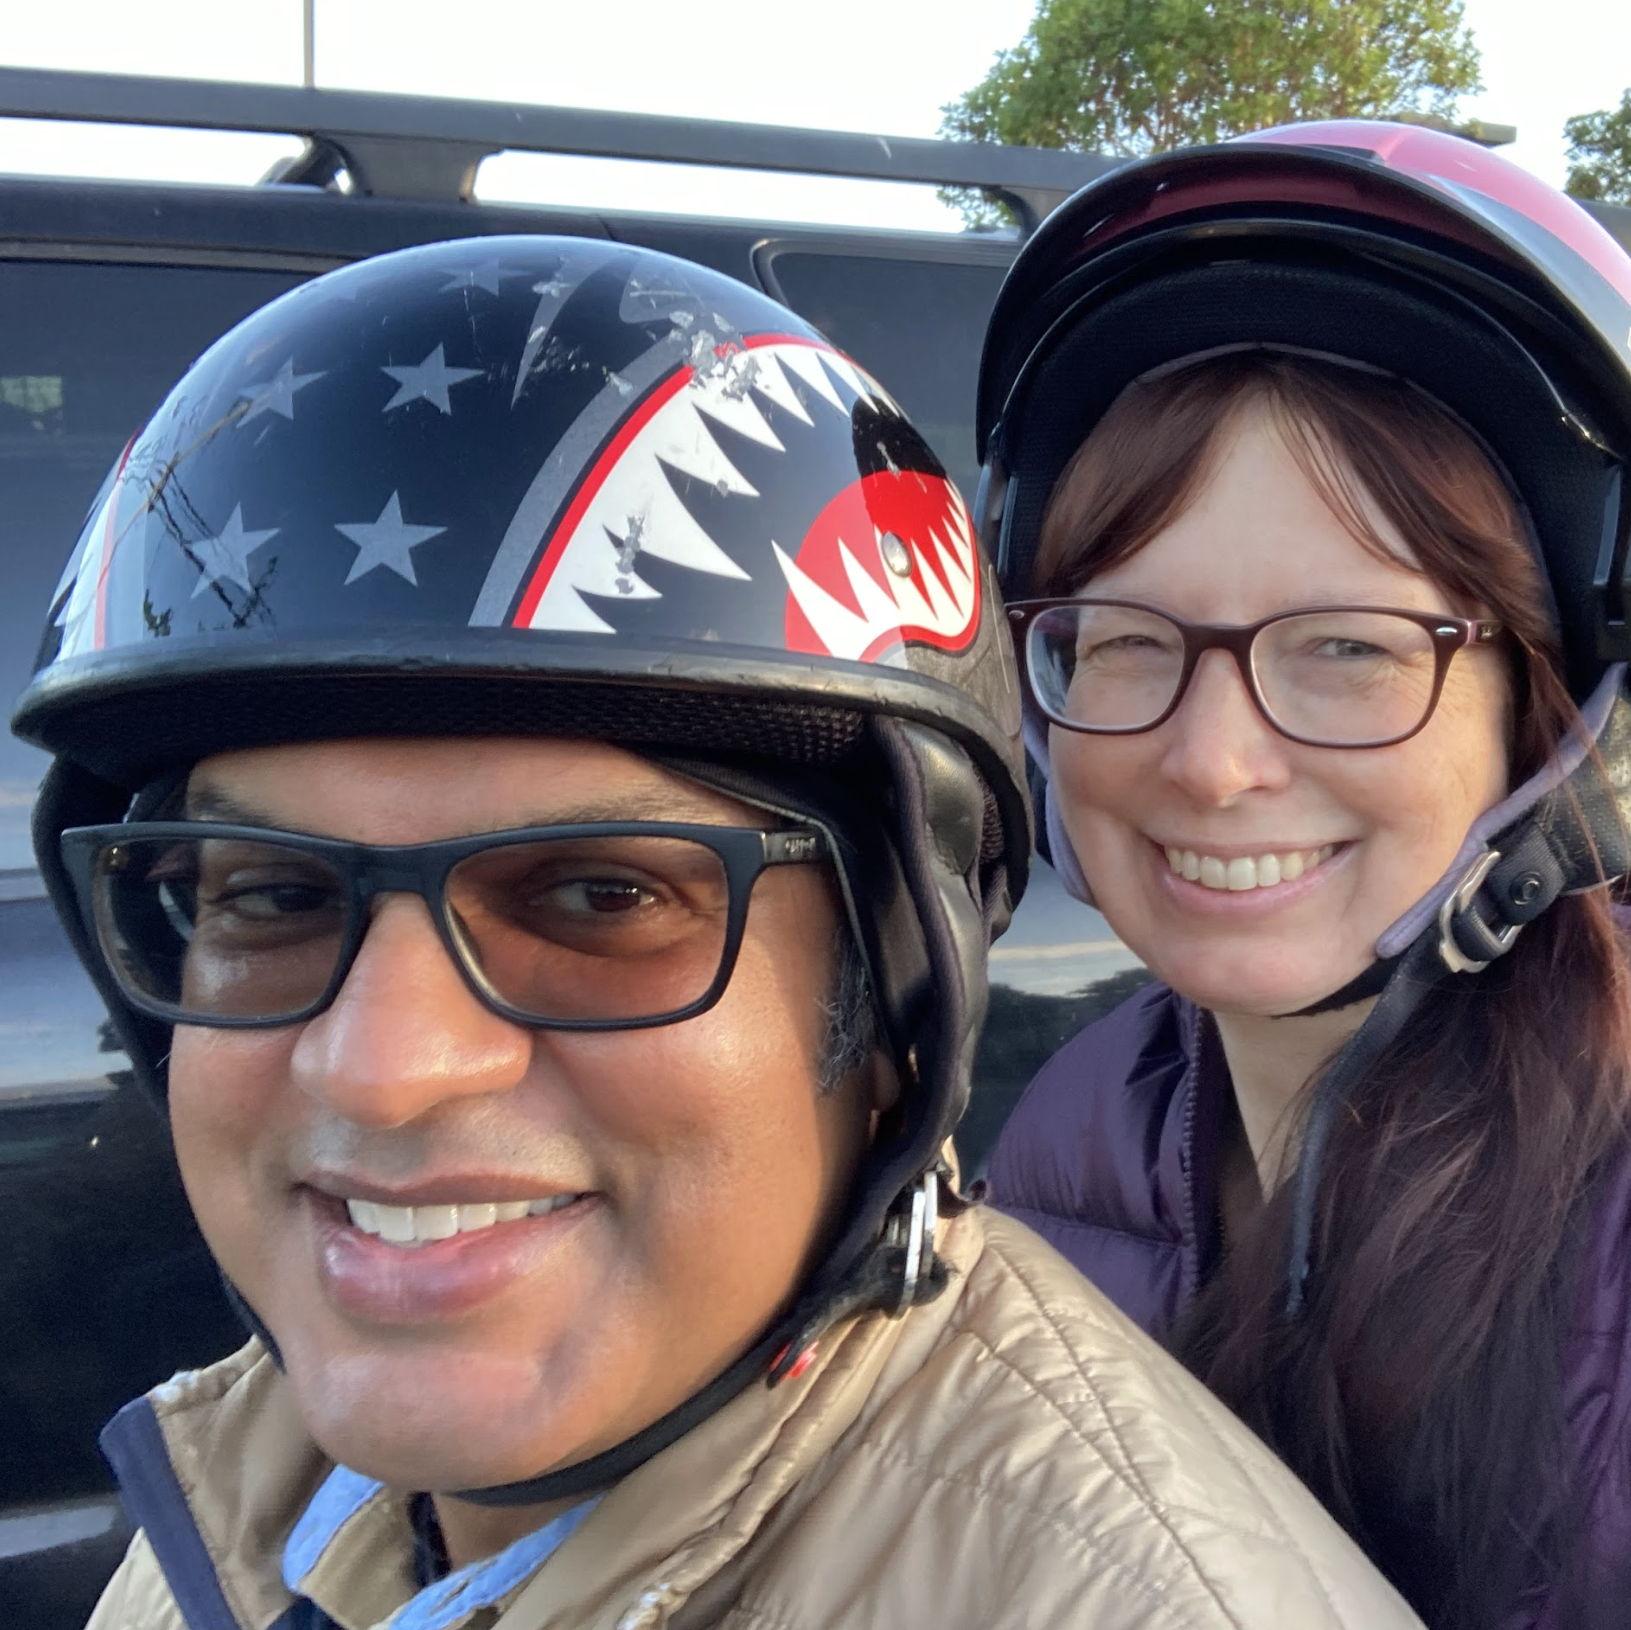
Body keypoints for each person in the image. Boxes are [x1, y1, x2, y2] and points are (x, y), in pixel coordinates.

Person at [11, 236, 1420, 1630]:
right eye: (272, 894)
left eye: (599, 897)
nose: (380, 1067)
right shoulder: (261, 1494)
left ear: (895, 994)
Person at [977, 121, 1631, 1630]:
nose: (1212, 761)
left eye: (1348, 649)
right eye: (1126, 640)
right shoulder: (1077, 1124)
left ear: (1555, 705)